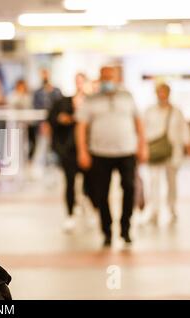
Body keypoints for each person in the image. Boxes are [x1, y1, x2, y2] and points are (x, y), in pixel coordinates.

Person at [76, 66, 148, 247]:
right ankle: (107, 231)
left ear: (117, 78)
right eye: (104, 77)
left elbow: (139, 122)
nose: (107, 80)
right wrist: (82, 151)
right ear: (100, 78)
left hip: (126, 152)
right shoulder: (91, 99)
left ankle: (126, 228)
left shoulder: (127, 97)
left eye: (110, 76)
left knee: (130, 189)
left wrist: (142, 145)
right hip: (100, 153)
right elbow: (81, 127)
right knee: (101, 194)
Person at [48, 73, 93, 232]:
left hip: (89, 149)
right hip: (69, 150)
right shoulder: (64, 102)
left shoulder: (91, 101)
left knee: (90, 183)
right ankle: (70, 214)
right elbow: (52, 118)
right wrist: (62, 119)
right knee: (70, 183)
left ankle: (89, 208)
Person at [144, 83, 190, 224]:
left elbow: (183, 130)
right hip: (155, 151)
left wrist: (187, 146)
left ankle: (172, 208)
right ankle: (154, 211)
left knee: (172, 182)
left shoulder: (176, 111)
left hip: (172, 151)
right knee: (154, 182)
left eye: (164, 92)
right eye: (160, 92)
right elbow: (143, 130)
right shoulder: (149, 111)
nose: (162, 95)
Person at [31, 69, 63, 161]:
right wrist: (42, 123)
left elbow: (59, 107)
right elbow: (36, 108)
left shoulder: (56, 91)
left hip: (55, 124)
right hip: (41, 124)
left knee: (55, 147)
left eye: (46, 74)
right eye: (43, 74)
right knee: (41, 146)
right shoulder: (37, 92)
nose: (45, 76)